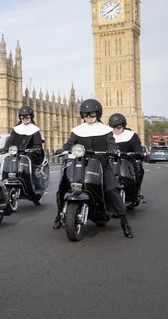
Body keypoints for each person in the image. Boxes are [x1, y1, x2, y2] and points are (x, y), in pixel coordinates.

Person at [53, 99, 133, 238]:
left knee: (111, 189)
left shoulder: (106, 130)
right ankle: (59, 215)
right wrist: (62, 149)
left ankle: (124, 222)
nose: (89, 118)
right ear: (82, 116)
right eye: (86, 115)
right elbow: (70, 144)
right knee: (63, 186)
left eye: (92, 115)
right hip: (81, 164)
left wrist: (113, 150)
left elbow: (111, 143)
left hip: (101, 165)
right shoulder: (77, 131)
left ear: (98, 114)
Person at [109, 112, 145, 201]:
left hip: (127, 161)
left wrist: (139, 152)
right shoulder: (108, 136)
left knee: (139, 168)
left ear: (123, 126)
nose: (116, 129)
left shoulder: (131, 135)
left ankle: (136, 190)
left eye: (118, 127)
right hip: (112, 162)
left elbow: (137, 147)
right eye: (114, 127)